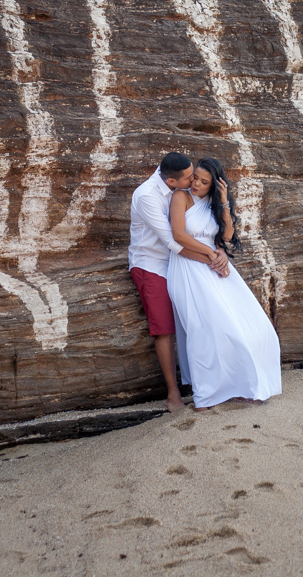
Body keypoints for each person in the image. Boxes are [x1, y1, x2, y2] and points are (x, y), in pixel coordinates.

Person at [167, 157, 282, 410]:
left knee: (251, 323)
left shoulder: (212, 202)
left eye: (203, 181)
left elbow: (227, 236)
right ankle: (205, 395)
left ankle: (240, 384)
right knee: (204, 328)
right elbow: (179, 235)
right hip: (189, 266)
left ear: (214, 185)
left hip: (215, 265)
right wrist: (212, 254)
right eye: (195, 177)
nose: (195, 183)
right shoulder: (180, 197)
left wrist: (223, 202)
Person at [129, 152, 229, 412]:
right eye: (189, 177)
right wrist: (212, 259)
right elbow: (174, 242)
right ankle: (173, 395)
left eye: (196, 175)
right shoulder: (146, 196)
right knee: (164, 327)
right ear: (172, 181)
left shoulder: (181, 190)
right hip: (151, 264)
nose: (193, 180)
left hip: (180, 263)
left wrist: (220, 253)